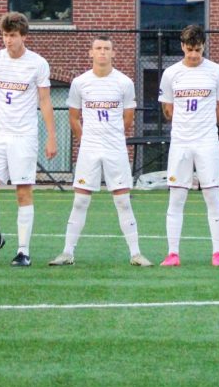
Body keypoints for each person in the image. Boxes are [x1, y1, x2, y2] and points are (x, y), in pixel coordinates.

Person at [48, 36, 150, 267]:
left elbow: (128, 117)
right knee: (80, 202)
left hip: (115, 149)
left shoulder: (124, 82)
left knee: (123, 201)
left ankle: (135, 254)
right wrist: (88, 141)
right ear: (90, 53)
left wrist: (112, 136)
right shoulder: (80, 82)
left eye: (107, 49)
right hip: (90, 149)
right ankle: (67, 253)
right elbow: (74, 117)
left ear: (113, 53)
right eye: (98, 48)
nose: (102, 52)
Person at [0, 11, 58, 267]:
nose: (8, 41)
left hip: (24, 136)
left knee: (23, 193)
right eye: (5, 35)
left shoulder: (38, 63)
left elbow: (44, 100)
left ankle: (23, 251)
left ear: (23, 36)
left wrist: (51, 136)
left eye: (12, 36)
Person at [158, 24, 219, 267]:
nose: (193, 55)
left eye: (198, 50)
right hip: (180, 143)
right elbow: (167, 109)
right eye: (190, 49)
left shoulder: (217, 71)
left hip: (207, 142)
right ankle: (172, 253)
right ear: (182, 46)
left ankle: (218, 253)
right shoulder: (171, 73)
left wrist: (205, 125)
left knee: (212, 195)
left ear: (204, 47)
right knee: (176, 197)